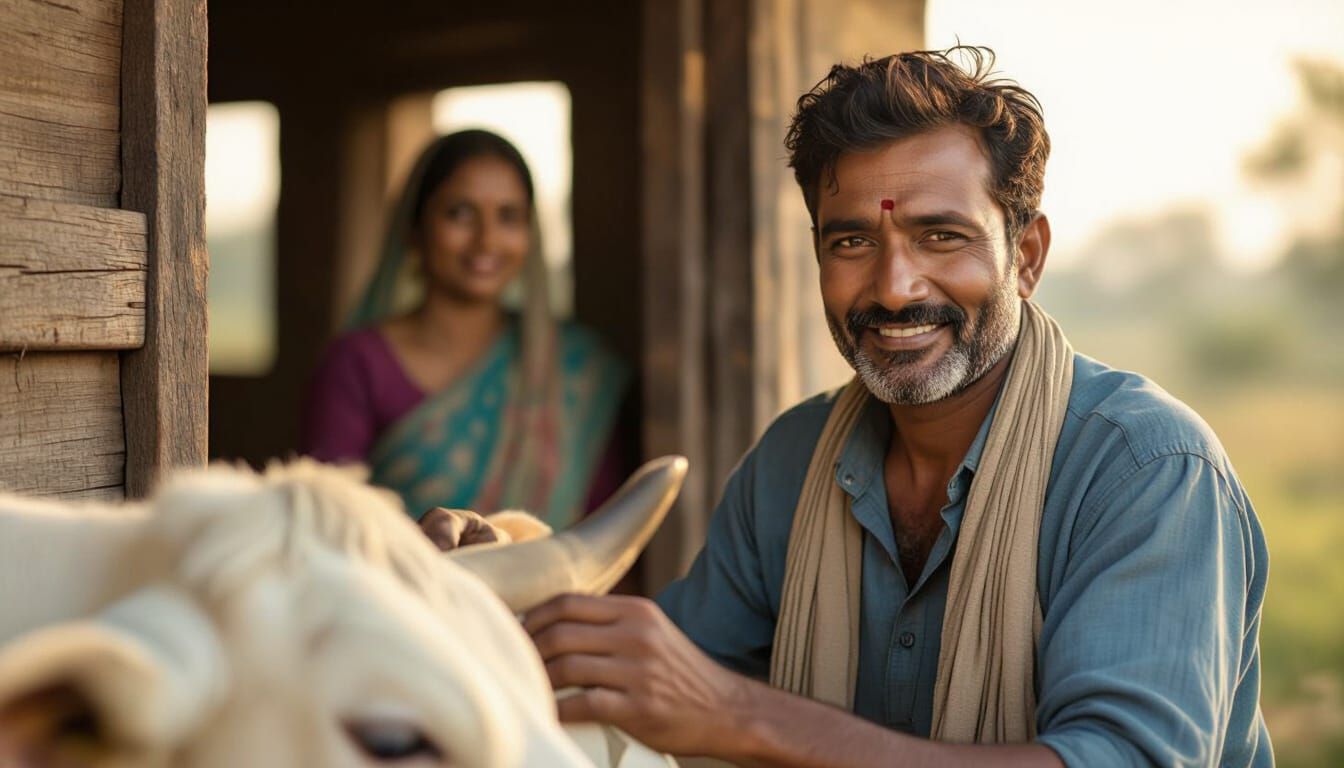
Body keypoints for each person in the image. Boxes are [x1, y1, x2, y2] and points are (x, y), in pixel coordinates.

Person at [520, 48, 1272, 766]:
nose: (893, 287)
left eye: (941, 236)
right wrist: (484, 582)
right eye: (851, 242)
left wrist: (742, 716)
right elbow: (655, 687)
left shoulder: (1146, 470)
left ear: (1028, 256)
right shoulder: (793, 461)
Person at [302, 130, 630, 531]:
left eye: (509, 217)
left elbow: (604, 534)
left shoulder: (574, 370)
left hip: (551, 592)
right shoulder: (357, 363)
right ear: (414, 227)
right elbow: (323, 526)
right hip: (391, 590)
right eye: (460, 213)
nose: (486, 240)